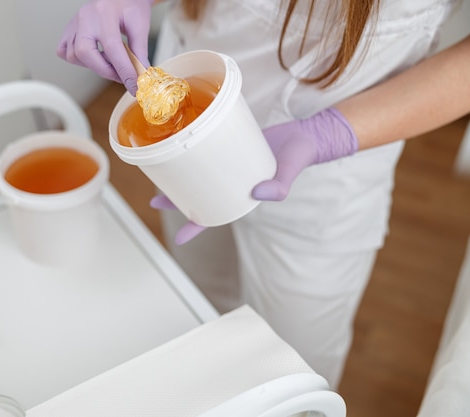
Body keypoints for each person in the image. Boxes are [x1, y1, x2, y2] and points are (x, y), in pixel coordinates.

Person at [58, 0, 470, 388]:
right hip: (185, 147)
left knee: (293, 370)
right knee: (203, 305)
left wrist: (330, 133)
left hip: (325, 170)